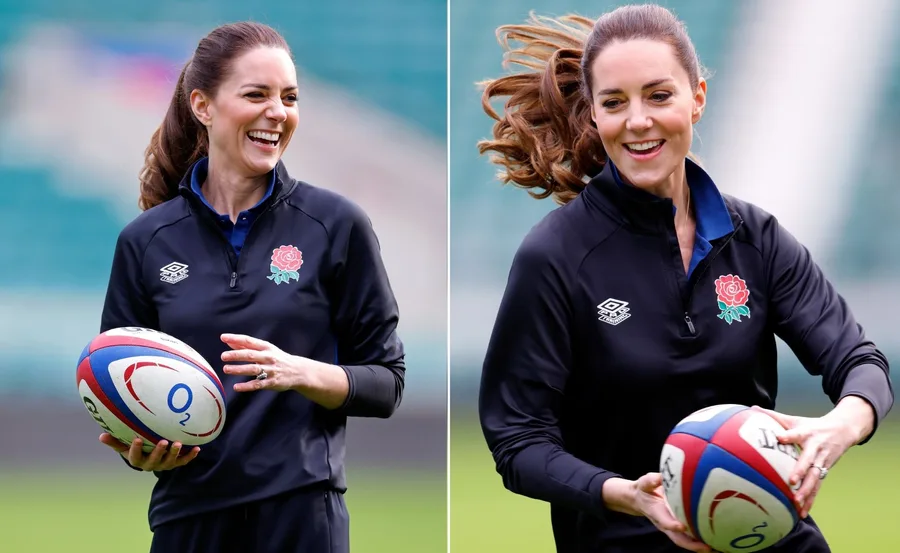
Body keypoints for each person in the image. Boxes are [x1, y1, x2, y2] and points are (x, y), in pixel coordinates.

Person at [476, 5, 892, 553]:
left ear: (696, 97)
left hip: (773, 540)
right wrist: (623, 493)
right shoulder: (554, 257)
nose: (638, 120)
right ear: (595, 116)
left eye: (659, 95)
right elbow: (517, 439)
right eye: (615, 103)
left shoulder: (755, 238)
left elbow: (859, 361)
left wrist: (842, 424)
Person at [97, 21, 405, 553]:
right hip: (186, 521)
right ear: (203, 105)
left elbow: (387, 382)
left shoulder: (335, 224)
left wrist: (303, 373)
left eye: (289, 97)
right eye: (256, 94)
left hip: (304, 518)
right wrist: (138, 448)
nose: (277, 112)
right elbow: (118, 387)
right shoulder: (145, 241)